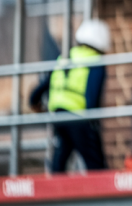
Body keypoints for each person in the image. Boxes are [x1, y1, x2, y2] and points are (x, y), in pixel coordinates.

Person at [29, 19, 109, 172]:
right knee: (94, 160)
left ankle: (54, 192)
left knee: (61, 156)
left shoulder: (64, 58)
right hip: (78, 115)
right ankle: (104, 194)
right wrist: (92, 122)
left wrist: (35, 103)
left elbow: (40, 88)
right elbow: (92, 96)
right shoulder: (96, 61)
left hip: (58, 115)